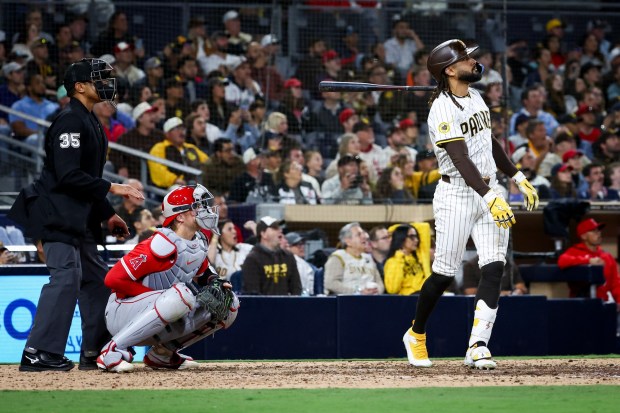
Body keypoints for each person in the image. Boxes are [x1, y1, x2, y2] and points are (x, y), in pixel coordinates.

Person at [402, 39, 540, 370]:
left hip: (490, 189)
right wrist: (490, 196)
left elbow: (487, 141)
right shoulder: (441, 109)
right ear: (450, 70)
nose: (473, 61)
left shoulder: (475, 95)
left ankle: (477, 345)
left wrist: (516, 176)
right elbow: (461, 159)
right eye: (465, 58)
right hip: (457, 195)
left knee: (494, 266)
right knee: (444, 274)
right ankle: (416, 334)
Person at [8, 58, 144, 372]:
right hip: (55, 214)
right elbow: (68, 176)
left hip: (79, 218)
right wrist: (115, 188)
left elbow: (85, 180)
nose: (105, 84)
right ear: (79, 87)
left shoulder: (91, 120)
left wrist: (108, 213)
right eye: (97, 79)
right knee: (66, 279)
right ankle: (38, 351)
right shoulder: (70, 120)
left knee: (97, 280)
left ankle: (94, 351)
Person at [97, 184, 240, 372]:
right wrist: (159, 297)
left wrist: (215, 281)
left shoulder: (197, 241)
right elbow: (112, 279)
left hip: (164, 310)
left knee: (228, 303)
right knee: (181, 295)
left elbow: (204, 273)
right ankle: (112, 351)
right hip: (122, 312)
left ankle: (163, 354)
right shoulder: (159, 244)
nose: (204, 210)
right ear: (180, 216)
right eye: (196, 206)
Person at [558, 218, 620, 311]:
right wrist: (588, 260)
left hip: (602, 305)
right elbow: (562, 261)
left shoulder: (607, 257)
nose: (598, 233)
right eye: (593, 231)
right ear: (583, 236)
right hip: (580, 306)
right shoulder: (575, 251)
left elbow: (615, 283)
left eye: (598, 230)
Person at [241, 216, 302, 295]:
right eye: (275, 228)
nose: (280, 230)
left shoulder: (288, 257)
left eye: (279, 228)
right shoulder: (252, 259)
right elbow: (253, 294)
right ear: (263, 234)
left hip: (286, 306)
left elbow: (296, 289)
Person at [324, 222, 385, 296]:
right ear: (348, 241)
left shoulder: (369, 258)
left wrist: (376, 291)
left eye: (363, 233)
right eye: (359, 234)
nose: (364, 236)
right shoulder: (338, 257)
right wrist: (358, 292)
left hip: (371, 300)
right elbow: (330, 283)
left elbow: (379, 283)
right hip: (346, 302)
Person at [383, 223, 432, 295]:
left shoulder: (419, 255)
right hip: (408, 300)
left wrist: (398, 227)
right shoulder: (392, 261)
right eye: (412, 237)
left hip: (426, 296)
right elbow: (392, 289)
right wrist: (399, 259)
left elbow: (425, 226)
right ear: (401, 238)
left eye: (416, 237)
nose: (416, 240)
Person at [462, 255, 527, 296]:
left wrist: (518, 291)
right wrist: (500, 294)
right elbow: (470, 292)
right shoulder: (471, 265)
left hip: (508, 303)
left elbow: (521, 287)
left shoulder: (508, 263)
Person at [285, 231, 316, 296]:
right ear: (288, 247)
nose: (302, 247)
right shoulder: (283, 261)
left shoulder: (306, 266)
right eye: (298, 245)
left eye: (302, 244)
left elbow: (310, 291)